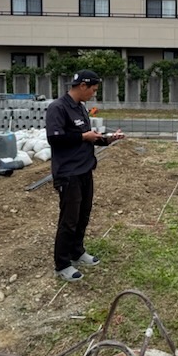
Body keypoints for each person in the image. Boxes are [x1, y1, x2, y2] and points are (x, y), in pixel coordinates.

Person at [45, 70, 123, 281]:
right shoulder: (58, 108)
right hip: (68, 173)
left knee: (83, 214)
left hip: (85, 169)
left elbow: (87, 138)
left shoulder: (80, 108)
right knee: (69, 219)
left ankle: (77, 251)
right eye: (93, 90)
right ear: (83, 86)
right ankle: (62, 264)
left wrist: (107, 139)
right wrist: (82, 136)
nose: (94, 94)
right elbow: (55, 139)